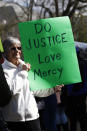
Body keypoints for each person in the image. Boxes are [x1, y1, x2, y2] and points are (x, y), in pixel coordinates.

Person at [1, 36, 64, 131]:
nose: (17, 51)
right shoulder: (3, 70)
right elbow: (10, 90)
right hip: (13, 121)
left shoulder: (26, 66)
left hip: (33, 118)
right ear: (5, 52)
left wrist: (52, 89)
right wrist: (23, 72)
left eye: (19, 48)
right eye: (13, 48)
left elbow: (35, 90)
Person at [65, 47, 87, 131]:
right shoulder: (83, 63)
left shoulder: (72, 64)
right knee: (80, 115)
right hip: (79, 93)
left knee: (74, 116)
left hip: (75, 93)